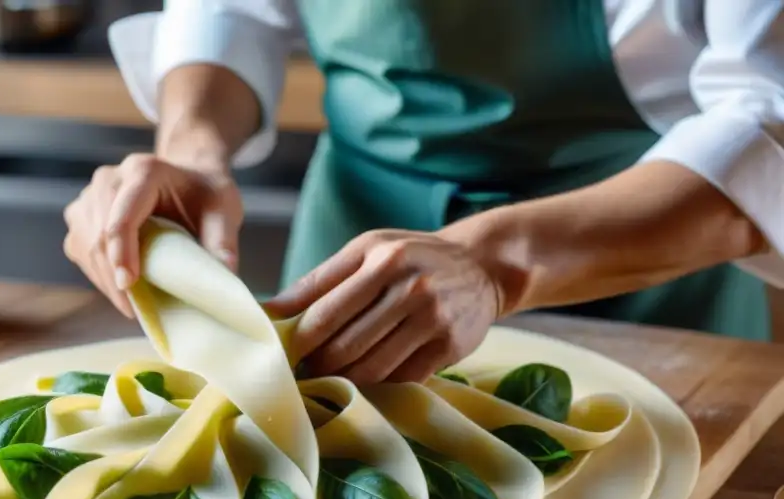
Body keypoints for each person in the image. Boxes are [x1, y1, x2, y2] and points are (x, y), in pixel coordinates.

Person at [63, 0, 784, 386]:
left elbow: (768, 123)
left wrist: (494, 264)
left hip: (637, 258)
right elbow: (235, 11)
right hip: (349, 246)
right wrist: (191, 151)